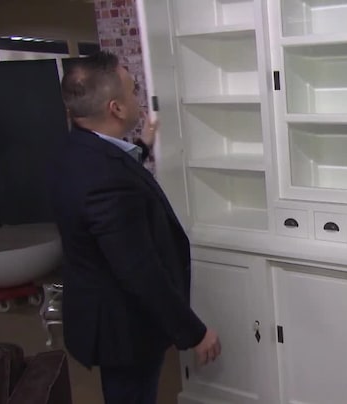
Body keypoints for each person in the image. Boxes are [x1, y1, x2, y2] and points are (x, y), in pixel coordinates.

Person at [48, 51, 221, 404]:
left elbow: (108, 177)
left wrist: (142, 145)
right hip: (123, 325)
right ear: (116, 108)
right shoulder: (105, 178)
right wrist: (194, 332)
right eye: (132, 90)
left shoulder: (73, 151)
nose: (137, 97)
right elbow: (139, 270)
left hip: (101, 311)